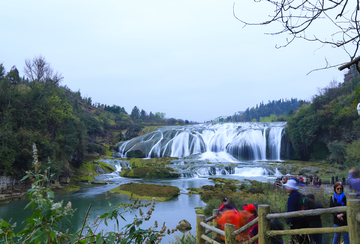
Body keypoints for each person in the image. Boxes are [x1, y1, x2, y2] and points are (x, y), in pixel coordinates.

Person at [283, 179, 310, 244]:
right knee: (304, 240)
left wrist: (288, 223)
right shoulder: (301, 195)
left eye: (287, 186)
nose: (286, 188)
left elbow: (290, 212)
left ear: (291, 188)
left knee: (296, 240)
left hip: (296, 223)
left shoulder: (292, 198)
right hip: (304, 221)